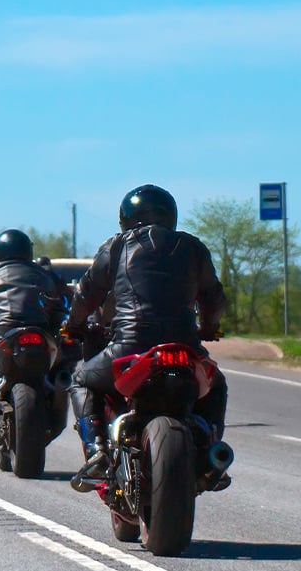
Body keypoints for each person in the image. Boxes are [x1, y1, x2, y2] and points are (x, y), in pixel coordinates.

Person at [66, 184, 228, 491]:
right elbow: (214, 297)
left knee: (81, 379)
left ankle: (97, 452)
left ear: (126, 218)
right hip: (185, 347)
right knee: (216, 383)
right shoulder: (193, 247)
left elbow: (87, 292)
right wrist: (208, 327)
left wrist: (73, 324)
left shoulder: (116, 246)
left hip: (130, 346)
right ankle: (212, 454)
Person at [0, 229, 65, 438]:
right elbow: (57, 309)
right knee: (62, 366)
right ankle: (56, 399)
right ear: (28, 250)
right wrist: (55, 331)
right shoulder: (44, 275)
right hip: (42, 336)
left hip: (5, 335)